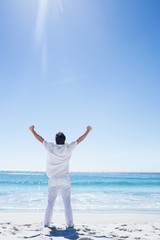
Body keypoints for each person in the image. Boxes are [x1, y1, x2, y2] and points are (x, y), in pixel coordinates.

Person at [29, 125, 92, 228]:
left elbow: (40, 139)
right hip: (64, 180)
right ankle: (70, 225)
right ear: (64, 140)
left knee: (50, 203)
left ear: (55, 140)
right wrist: (88, 131)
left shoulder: (50, 147)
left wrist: (32, 130)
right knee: (67, 203)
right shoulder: (68, 148)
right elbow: (79, 140)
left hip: (53, 179)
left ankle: (46, 224)